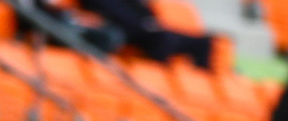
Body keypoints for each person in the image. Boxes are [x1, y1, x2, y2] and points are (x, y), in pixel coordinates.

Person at [75, 0, 214, 70]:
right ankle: (159, 80)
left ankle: (200, 81)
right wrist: (145, 25)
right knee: (164, 39)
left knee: (205, 42)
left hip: (146, 27)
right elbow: (108, 12)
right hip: (124, 29)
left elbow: (142, 9)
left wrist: (149, 22)